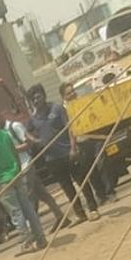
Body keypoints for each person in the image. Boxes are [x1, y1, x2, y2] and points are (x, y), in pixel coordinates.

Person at [25, 83, 100, 222]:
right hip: (51, 159)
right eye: (33, 99)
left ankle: (93, 208)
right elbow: (27, 132)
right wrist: (35, 140)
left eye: (38, 97)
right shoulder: (33, 118)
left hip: (68, 153)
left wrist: (73, 148)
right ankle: (80, 214)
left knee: (81, 182)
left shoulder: (57, 108)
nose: (36, 100)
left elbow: (70, 128)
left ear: (44, 95)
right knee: (67, 188)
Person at [0, 111, 47, 254]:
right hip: (16, 176)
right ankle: (41, 239)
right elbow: (15, 154)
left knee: (16, 212)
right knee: (28, 208)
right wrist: (18, 171)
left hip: (1, 181)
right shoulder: (4, 134)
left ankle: (26, 243)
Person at [4, 107, 67, 232]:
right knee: (42, 193)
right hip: (20, 167)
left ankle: (34, 229)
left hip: (25, 165)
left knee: (28, 198)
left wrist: (12, 150)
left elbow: (28, 143)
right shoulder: (3, 132)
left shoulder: (14, 126)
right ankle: (60, 216)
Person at [60, 81, 117, 203]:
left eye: (73, 91)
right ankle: (101, 195)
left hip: (94, 138)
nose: (72, 94)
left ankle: (110, 192)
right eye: (69, 93)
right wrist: (73, 148)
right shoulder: (64, 110)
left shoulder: (83, 102)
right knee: (90, 170)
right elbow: (70, 129)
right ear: (63, 97)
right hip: (80, 142)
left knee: (102, 162)